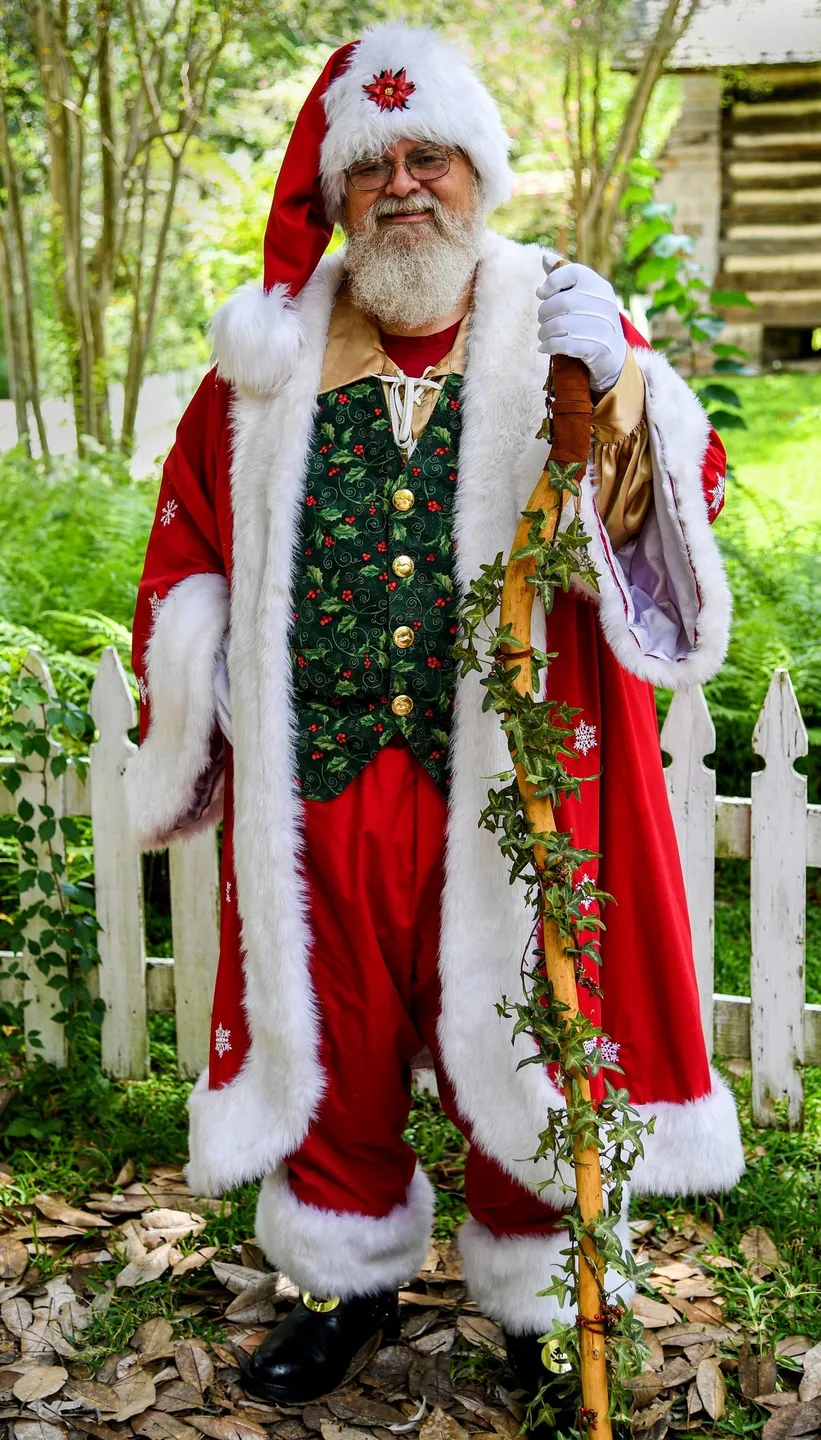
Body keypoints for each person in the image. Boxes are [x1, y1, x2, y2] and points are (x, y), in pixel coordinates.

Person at [126, 22, 743, 1411]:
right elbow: (189, 543)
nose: (406, 187)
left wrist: (633, 402)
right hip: (324, 780)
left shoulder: (564, 326)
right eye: (375, 167)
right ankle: (343, 1279)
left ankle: (534, 1296)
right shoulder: (268, 364)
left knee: (526, 1028)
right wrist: (202, 667)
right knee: (329, 1039)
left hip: (507, 782)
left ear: (482, 174)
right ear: (338, 198)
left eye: (434, 159)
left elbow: (659, 563)